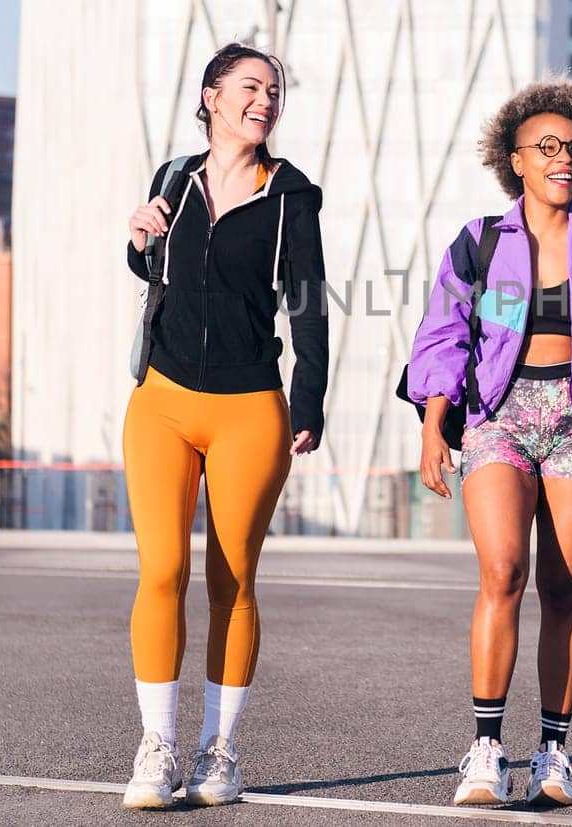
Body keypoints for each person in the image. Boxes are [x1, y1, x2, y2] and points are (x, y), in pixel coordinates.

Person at [406, 78, 572, 806]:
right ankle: (486, 748)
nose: (563, 158)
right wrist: (433, 424)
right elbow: (444, 335)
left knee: (563, 586)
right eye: (545, 146)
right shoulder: (481, 241)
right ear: (514, 159)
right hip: (499, 414)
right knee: (505, 570)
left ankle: (554, 753)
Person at [120, 43, 328, 809]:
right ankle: (157, 747)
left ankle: (220, 751)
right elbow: (153, 271)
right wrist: (139, 240)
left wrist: (309, 399)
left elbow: (306, 303)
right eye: (249, 86)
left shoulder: (292, 197)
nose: (264, 99)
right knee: (161, 569)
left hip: (250, 407)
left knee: (230, 579)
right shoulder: (174, 177)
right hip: (163, 400)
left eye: (273, 90)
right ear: (210, 96)